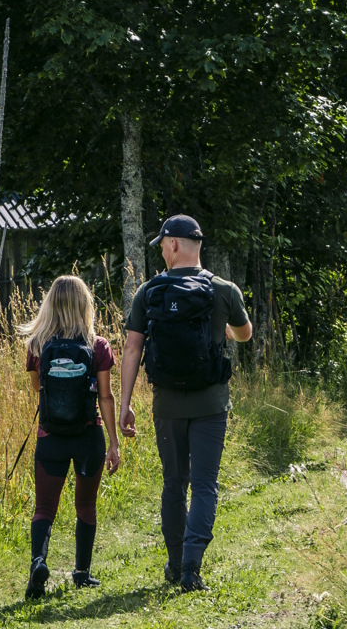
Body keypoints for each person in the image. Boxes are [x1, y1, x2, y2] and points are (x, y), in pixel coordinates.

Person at [116, 214, 252, 593]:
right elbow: (245, 334)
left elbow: (132, 348)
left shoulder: (149, 291)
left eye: (161, 244)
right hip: (210, 403)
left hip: (167, 406)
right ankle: (192, 569)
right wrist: (226, 328)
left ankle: (174, 565)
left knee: (174, 484)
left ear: (174, 244)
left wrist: (125, 404)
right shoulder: (224, 290)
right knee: (205, 485)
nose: (161, 250)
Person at [19, 274, 121, 600]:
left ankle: (38, 562)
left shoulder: (37, 345)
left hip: (51, 435)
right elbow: (105, 396)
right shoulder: (98, 346)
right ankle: (82, 573)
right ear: (84, 305)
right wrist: (114, 443)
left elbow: (37, 387)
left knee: (44, 507)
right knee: (86, 505)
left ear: (50, 305)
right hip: (88, 436)